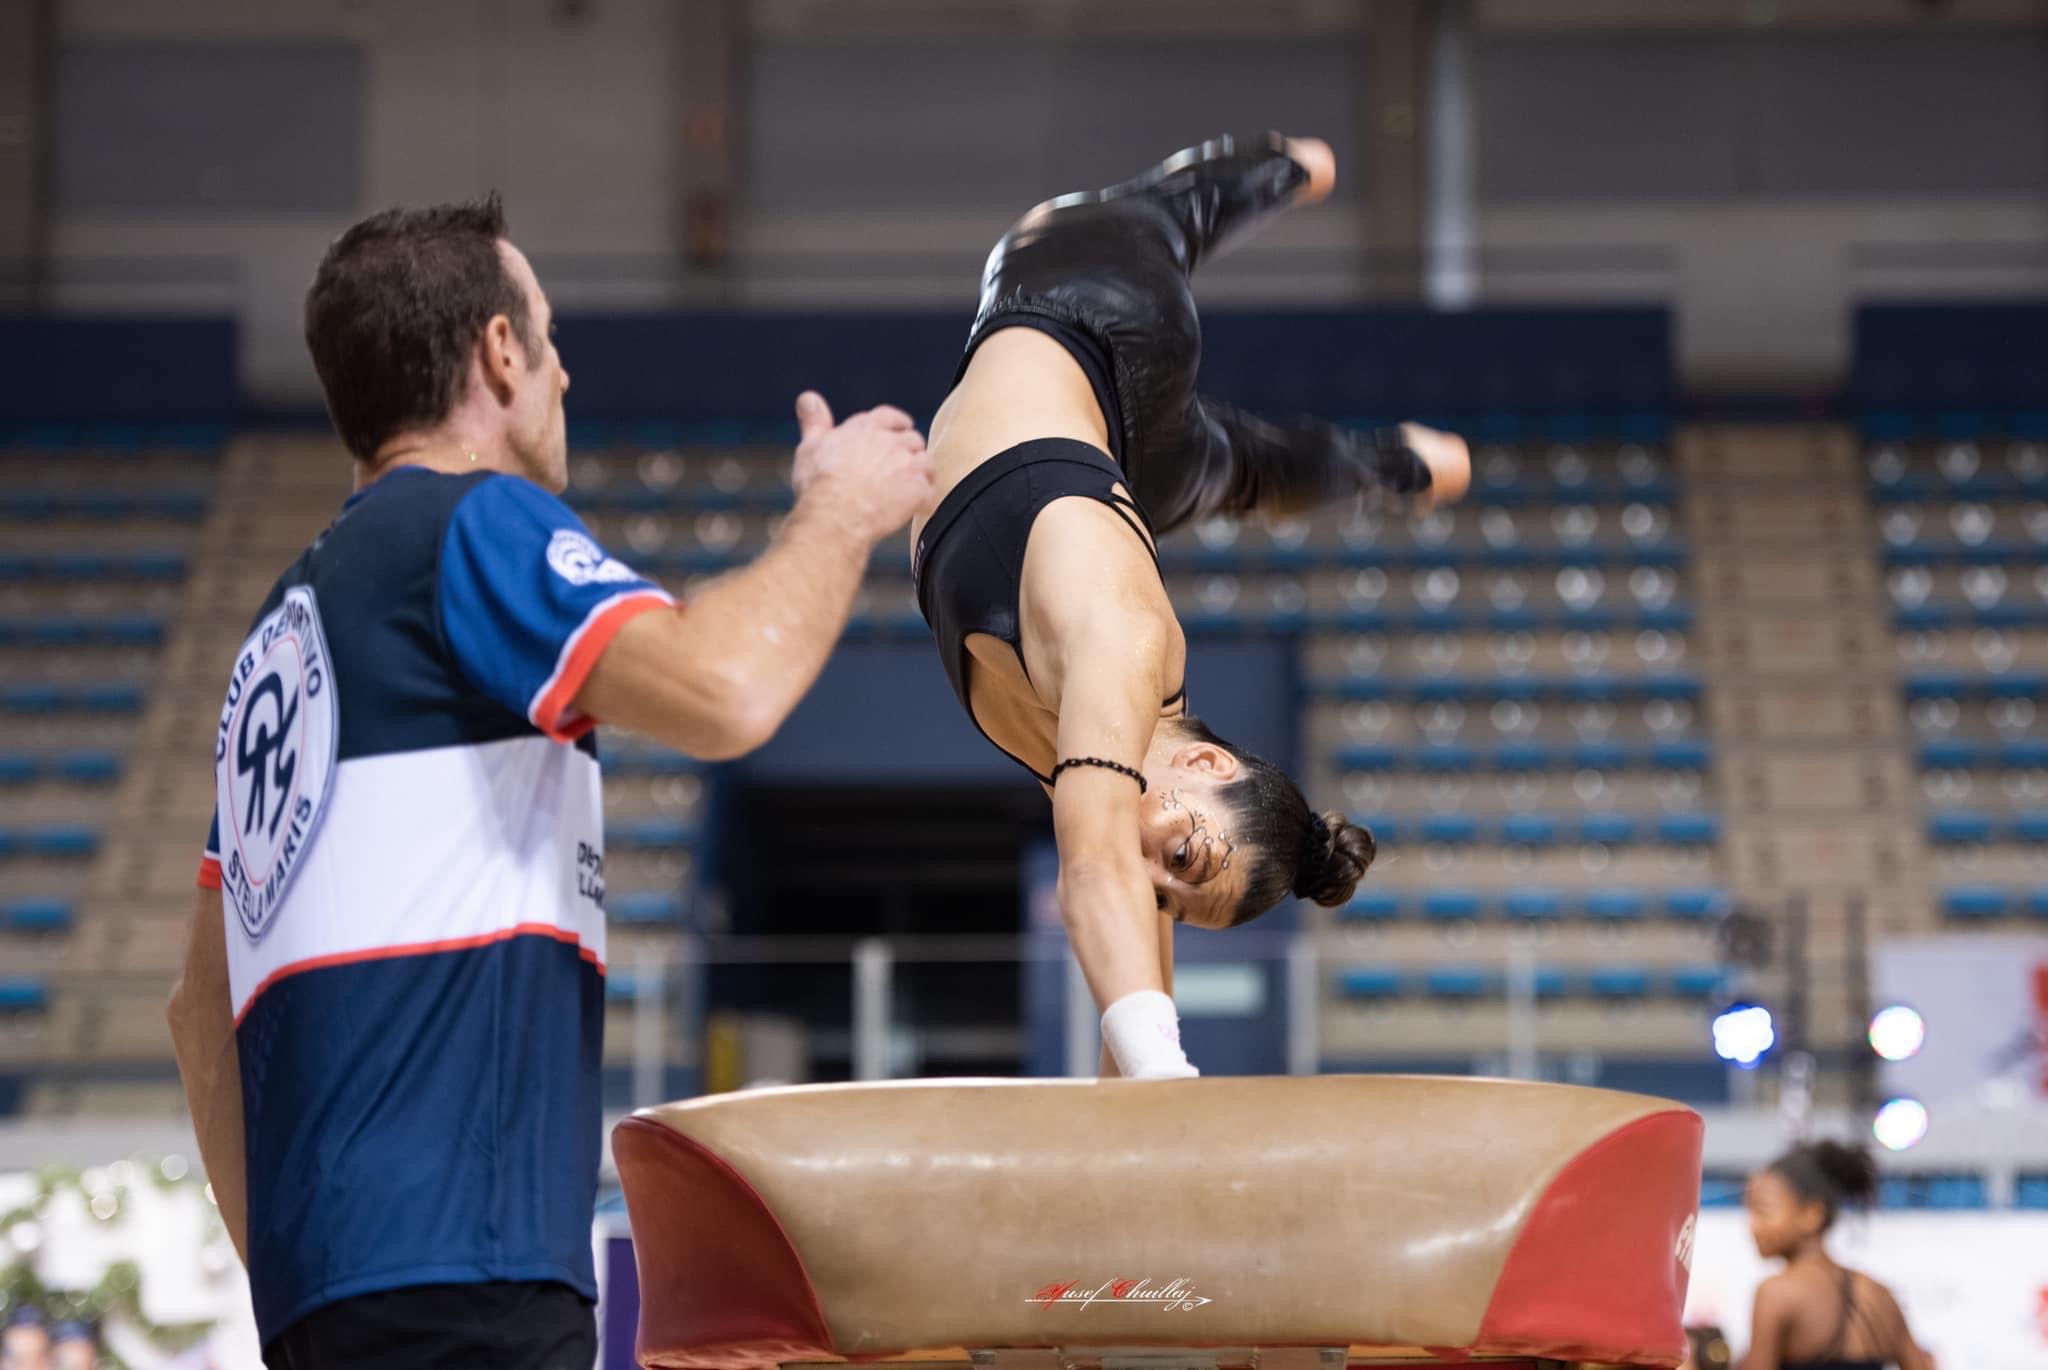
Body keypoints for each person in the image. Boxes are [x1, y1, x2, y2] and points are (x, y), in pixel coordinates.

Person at [165, 194, 932, 1369]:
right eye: (552, 337)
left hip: (328, 1304)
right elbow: (726, 688)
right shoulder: (468, 525)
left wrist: (295, 1277)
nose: (567, 375)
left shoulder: (280, 634)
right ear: (500, 351)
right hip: (471, 1281)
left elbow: (196, 1011)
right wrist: (840, 508)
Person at [914, 133, 1470, 1078]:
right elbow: (1092, 871)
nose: (1153, 872)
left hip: (1118, 456)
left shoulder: (1095, 757)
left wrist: (1131, 1113)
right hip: (1087, 310)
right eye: (1187, 857)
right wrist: (1167, 1080)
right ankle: (1288, 165)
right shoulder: (1127, 650)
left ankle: (1399, 464)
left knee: (1233, 467)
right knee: (1152, 215)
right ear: (1208, 761)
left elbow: (1127, 923)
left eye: (1170, 891)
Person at [1738, 1140, 1934, 1370]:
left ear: (1812, 1214)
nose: (1753, 1226)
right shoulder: (1879, 1294)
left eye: (1763, 1211)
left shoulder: (1776, 1293)